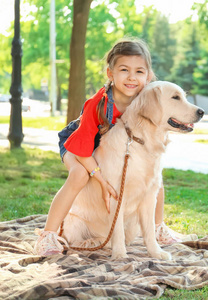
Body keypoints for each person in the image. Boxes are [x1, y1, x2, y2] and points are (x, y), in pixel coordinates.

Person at [34, 38, 190, 256]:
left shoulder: (144, 97)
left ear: (148, 76)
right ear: (110, 73)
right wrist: (99, 177)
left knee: (155, 179)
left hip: (108, 147)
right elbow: (84, 149)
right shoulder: (97, 104)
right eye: (124, 70)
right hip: (79, 144)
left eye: (139, 72)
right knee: (79, 175)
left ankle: (158, 227)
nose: (131, 78)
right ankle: (48, 235)